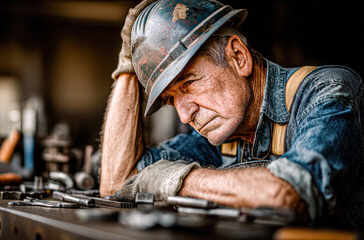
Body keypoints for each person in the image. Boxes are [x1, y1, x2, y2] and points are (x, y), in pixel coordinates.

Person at [100, 0, 363, 229]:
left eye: (188, 83)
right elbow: (118, 183)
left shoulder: (325, 94)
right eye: (171, 99)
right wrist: (128, 69)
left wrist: (177, 180)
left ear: (239, 57)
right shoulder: (223, 132)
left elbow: (287, 194)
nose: (184, 115)